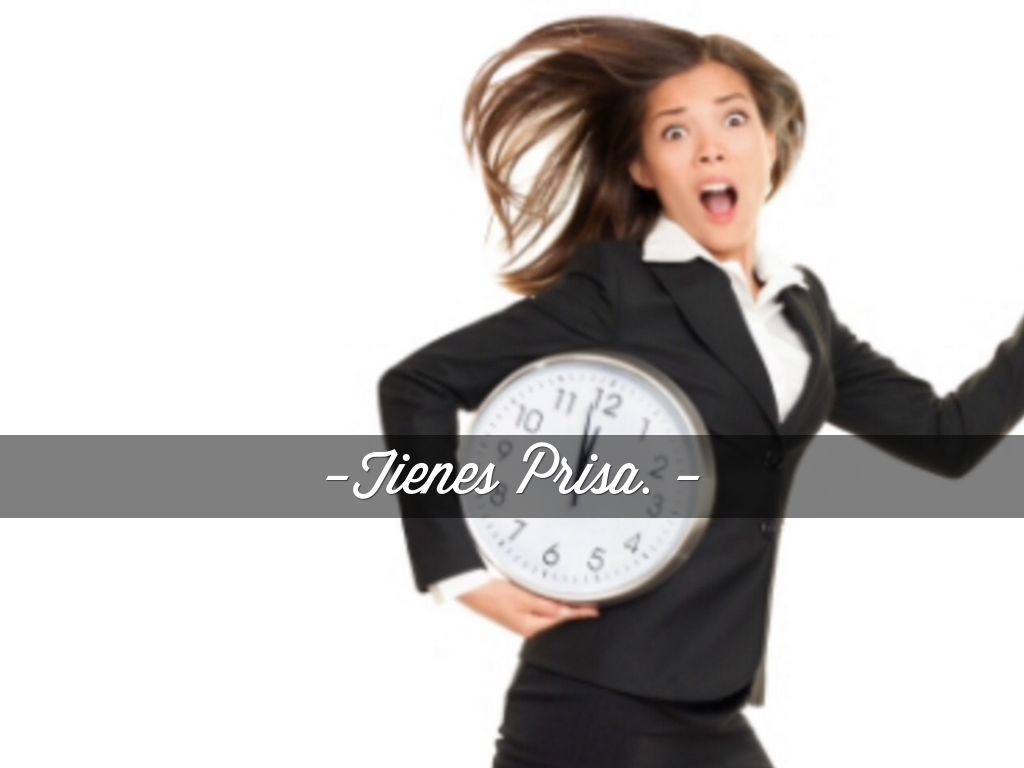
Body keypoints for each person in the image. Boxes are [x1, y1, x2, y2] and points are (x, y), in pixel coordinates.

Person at [377, 15, 1024, 767]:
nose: (711, 147)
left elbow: (947, 440)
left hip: (709, 702)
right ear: (644, 169)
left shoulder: (802, 309)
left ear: (770, 145)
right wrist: (457, 571)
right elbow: (417, 384)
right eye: (676, 132)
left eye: (734, 120)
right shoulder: (619, 288)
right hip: (599, 706)